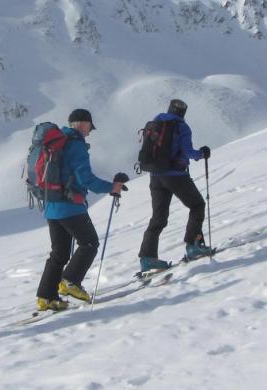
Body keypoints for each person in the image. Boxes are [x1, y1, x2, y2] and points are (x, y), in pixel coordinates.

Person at [36, 109, 126, 311]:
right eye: (89, 127)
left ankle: (46, 297)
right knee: (89, 243)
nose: (90, 132)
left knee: (58, 253)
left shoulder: (54, 142)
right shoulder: (76, 146)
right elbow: (85, 178)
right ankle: (70, 281)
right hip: (70, 206)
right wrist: (111, 187)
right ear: (82, 124)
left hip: (51, 206)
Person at [138, 99, 213, 272]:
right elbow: (188, 152)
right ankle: (193, 245)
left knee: (158, 217)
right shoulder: (181, 127)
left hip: (155, 176)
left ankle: (147, 258)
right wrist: (202, 153)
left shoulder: (156, 122)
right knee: (197, 205)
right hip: (175, 175)